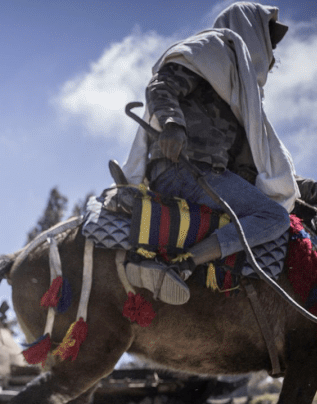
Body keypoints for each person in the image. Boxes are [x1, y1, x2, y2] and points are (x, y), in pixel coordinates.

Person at [121, 3, 296, 305]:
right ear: (251, 29)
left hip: (206, 175)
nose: (272, 53)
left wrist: (298, 185)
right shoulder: (210, 50)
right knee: (274, 217)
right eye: (270, 40)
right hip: (188, 171)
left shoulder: (238, 85)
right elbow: (161, 86)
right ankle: (185, 263)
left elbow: (253, 161)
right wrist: (173, 124)